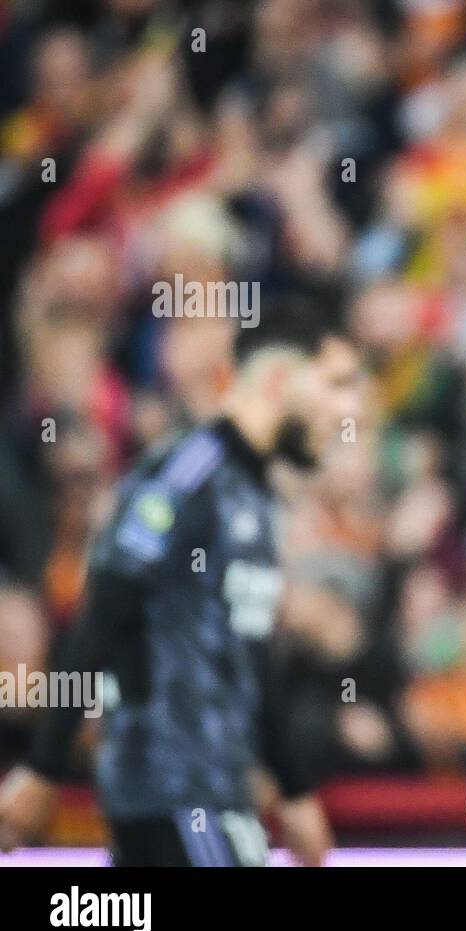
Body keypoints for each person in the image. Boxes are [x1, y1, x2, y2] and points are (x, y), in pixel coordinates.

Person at [0, 300, 363, 866]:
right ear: (276, 380)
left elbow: (251, 655)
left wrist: (293, 789)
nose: (348, 409)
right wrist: (43, 769)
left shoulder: (253, 493)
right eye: (335, 385)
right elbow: (106, 609)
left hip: (217, 797)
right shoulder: (188, 476)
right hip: (172, 797)